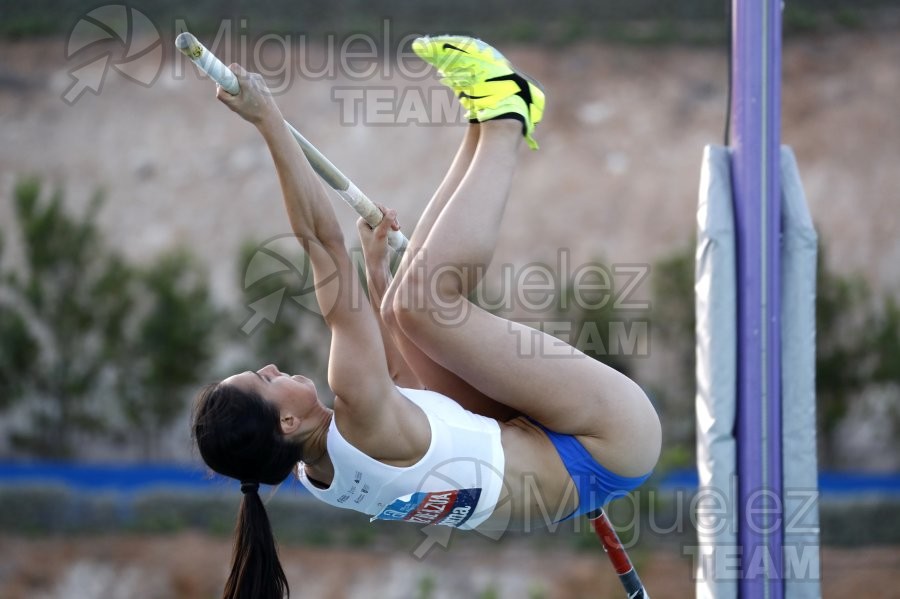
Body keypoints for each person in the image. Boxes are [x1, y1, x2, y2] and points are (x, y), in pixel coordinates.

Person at [192, 36, 661, 599]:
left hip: (551, 458)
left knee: (400, 306)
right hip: (605, 439)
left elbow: (417, 399)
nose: (270, 367)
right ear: (286, 425)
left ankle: (481, 121)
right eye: (264, 381)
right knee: (423, 306)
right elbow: (321, 243)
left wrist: (375, 271)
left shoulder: (319, 476)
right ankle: (507, 113)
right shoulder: (354, 410)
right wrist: (269, 122)